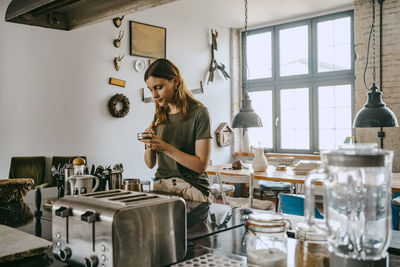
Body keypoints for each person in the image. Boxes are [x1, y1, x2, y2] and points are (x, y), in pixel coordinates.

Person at [140, 58, 213, 202]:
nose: (154, 95)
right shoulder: (159, 115)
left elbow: (200, 166)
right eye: (150, 90)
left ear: (175, 81)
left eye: (158, 87)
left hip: (192, 188)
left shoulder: (199, 113)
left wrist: (165, 148)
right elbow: (150, 164)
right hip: (161, 188)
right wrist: (150, 144)